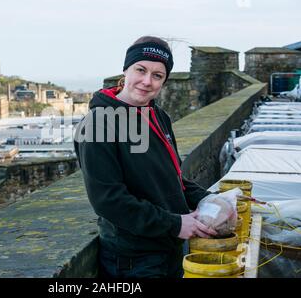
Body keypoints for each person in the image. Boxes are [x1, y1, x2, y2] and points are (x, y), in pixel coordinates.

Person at [74, 36, 217, 278]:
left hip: (168, 249)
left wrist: (214, 201)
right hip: (134, 259)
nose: (147, 81)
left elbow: (173, 180)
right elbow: (108, 200)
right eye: (140, 70)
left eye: (157, 75)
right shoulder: (99, 123)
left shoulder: (158, 116)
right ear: (125, 70)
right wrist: (176, 224)